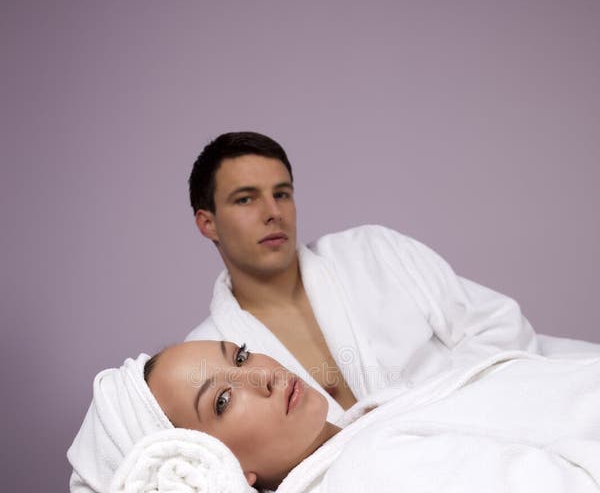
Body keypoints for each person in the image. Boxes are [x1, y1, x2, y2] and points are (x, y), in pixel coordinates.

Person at [69, 339, 600, 493]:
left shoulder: (352, 434)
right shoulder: (367, 480)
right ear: (216, 466)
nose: (264, 375)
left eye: (241, 355)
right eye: (223, 401)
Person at [185, 132, 599, 425]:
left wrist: (425, 412)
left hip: (486, 421)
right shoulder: (209, 351)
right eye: (245, 199)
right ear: (208, 223)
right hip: (387, 480)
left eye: (282, 193)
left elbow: (498, 324)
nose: (273, 211)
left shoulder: (372, 252)